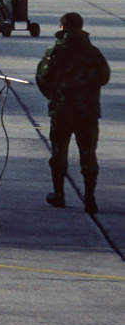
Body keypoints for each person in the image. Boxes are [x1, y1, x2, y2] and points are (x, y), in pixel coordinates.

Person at [36, 12, 110, 213]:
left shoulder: (55, 51)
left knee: (59, 153)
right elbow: (104, 77)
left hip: (62, 110)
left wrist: (55, 97)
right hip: (87, 112)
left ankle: (59, 195)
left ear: (62, 27)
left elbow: (42, 78)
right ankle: (90, 198)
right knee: (88, 153)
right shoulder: (93, 52)